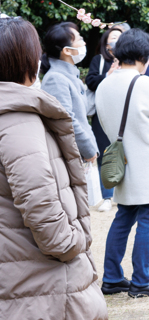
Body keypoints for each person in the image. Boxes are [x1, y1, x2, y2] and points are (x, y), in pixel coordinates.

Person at [0, 17, 108, 319]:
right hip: (42, 282)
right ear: (23, 58)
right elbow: (39, 201)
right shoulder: (18, 120)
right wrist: (71, 242)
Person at [95, 28, 149, 298]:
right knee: (148, 223)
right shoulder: (145, 84)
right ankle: (142, 280)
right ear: (145, 56)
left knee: (123, 219)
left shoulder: (104, 84)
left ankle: (111, 277)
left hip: (123, 163)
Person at [40, 22, 99, 167]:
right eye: (79, 39)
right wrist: (89, 150)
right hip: (73, 157)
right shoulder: (55, 78)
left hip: (81, 156)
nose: (84, 42)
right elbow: (67, 120)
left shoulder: (70, 75)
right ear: (67, 50)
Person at [85, 26, 125, 212]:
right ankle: (108, 196)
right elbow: (91, 81)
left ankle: (124, 194)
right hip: (101, 113)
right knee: (104, 153)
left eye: (119, 37)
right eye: (112, 37)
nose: (115, 41)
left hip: (123, 113)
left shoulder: (130, 61)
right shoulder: (99, 60)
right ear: (105, 43)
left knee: (126, 153)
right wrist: (108, 75)